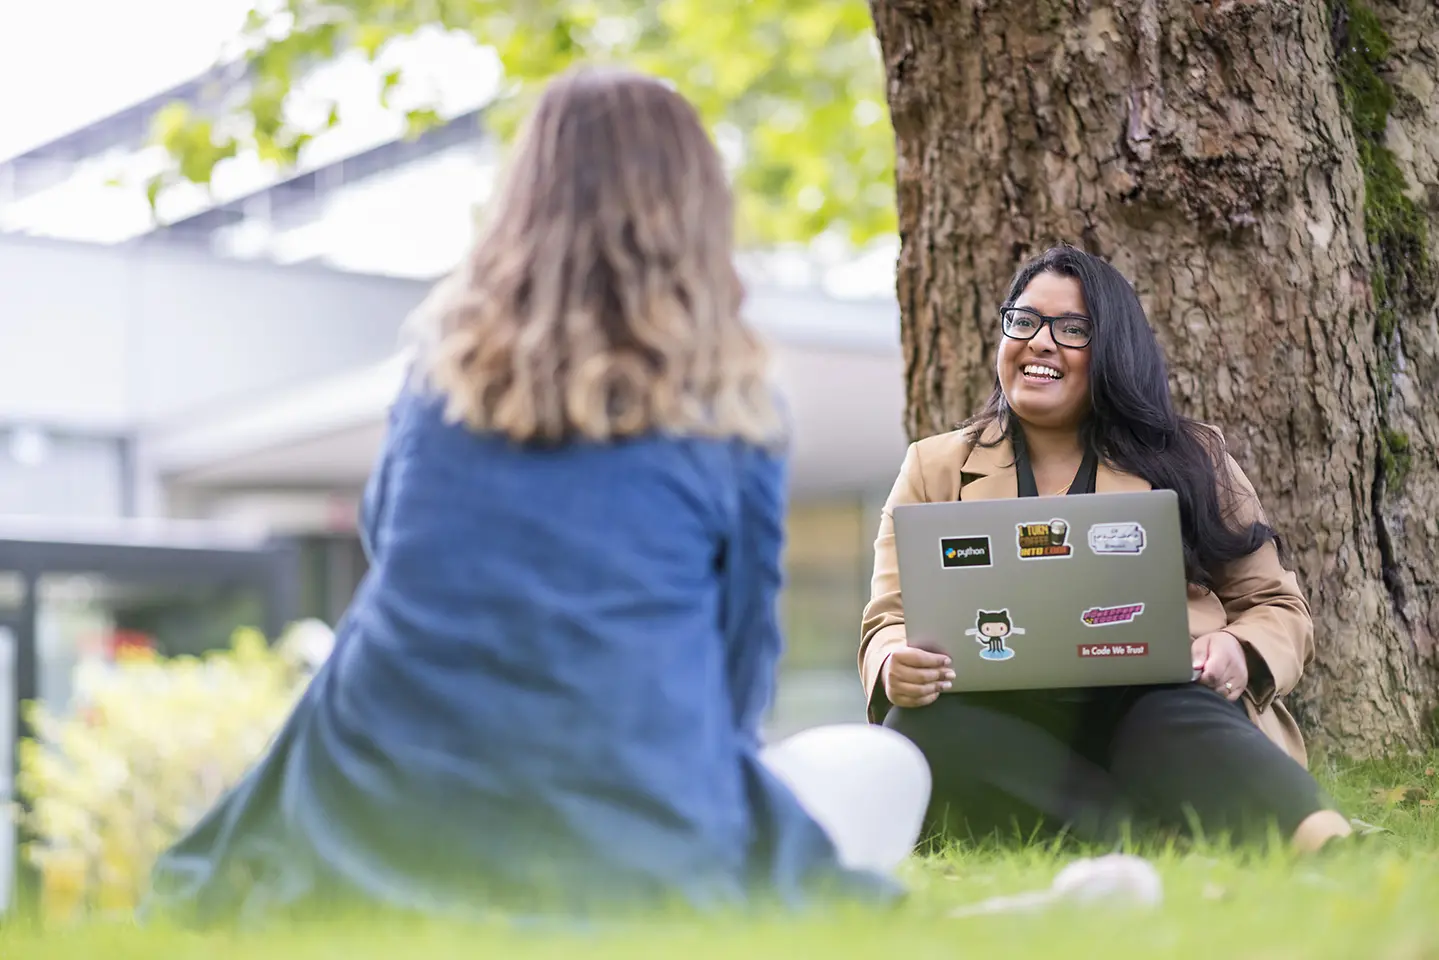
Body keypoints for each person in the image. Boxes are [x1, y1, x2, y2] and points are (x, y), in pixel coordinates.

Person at [146, 65, 929, 926]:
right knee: (880, 768)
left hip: (381, 814)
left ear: (524, 203)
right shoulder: (733, 407)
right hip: (633, 831)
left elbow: (391, 561)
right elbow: (742, 664)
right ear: (696, 209)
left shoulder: (435, 384)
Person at [859, 245, 1352, 854]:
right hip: (1009, 723)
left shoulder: (1192, 457)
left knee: (1171, 716)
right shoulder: (934, 466)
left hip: (1158, 712)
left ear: (1114, 348)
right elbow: (888, 617)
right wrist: (892, 664)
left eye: (1072, 330)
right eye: (1024, 321)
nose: (1040, 342)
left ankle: (1332, 846)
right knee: (920, 728)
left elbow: (1276, 604)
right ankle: (1152, 841)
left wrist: (1237, 648)